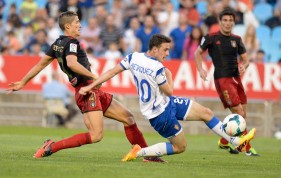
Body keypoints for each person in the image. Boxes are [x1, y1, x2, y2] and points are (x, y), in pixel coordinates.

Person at [6, 11, 163, 163]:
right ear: (67, 26)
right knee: (96, 135)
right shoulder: (72, 43)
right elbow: (72, 63)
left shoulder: (58, 44)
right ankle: (52, 147)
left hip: (90, 90)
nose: (80, 25)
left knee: (128, 118)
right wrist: (95, 77)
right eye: (76, 23)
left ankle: (147, 154)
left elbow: (41, 64)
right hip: (87, 90)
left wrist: (22, 82)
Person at [79, 34, 256, 162]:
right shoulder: (157, 68)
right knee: (180, 147)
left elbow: (111, 72)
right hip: (160, 115)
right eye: (165, 50)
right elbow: (169, 90)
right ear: (154, 49)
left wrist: (90, 85)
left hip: (166, 104)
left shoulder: (133, 57)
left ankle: (235, 141)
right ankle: (139, 153)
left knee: (206, 112)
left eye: (169, 50)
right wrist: (169, 74)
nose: (167, 54)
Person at [194, 8, 259, 156]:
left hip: (236, 78)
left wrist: (244, 65)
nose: (228, 23)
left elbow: (246, 59)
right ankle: (247, 148)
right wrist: (201, 69)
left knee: (242, 116)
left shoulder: (237, 40)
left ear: (234, 22)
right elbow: (197, 53)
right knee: (239, 112)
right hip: (223, 80)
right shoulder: (210, 37)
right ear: (220, 21)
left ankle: (224, 142)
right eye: (225, 20)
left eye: (230, 20)